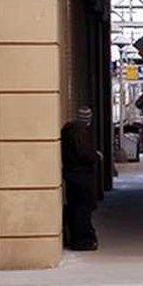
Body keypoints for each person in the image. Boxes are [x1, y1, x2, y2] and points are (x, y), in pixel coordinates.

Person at [61, 107, 99, 251]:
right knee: (83, 210)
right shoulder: (81, 135)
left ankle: (75, 237)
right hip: (82, 177)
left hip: (70, 176)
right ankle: (82, 240)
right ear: (87, 120)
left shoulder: (67, 131)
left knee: (74, 207)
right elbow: (86, 155)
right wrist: (96, 156)